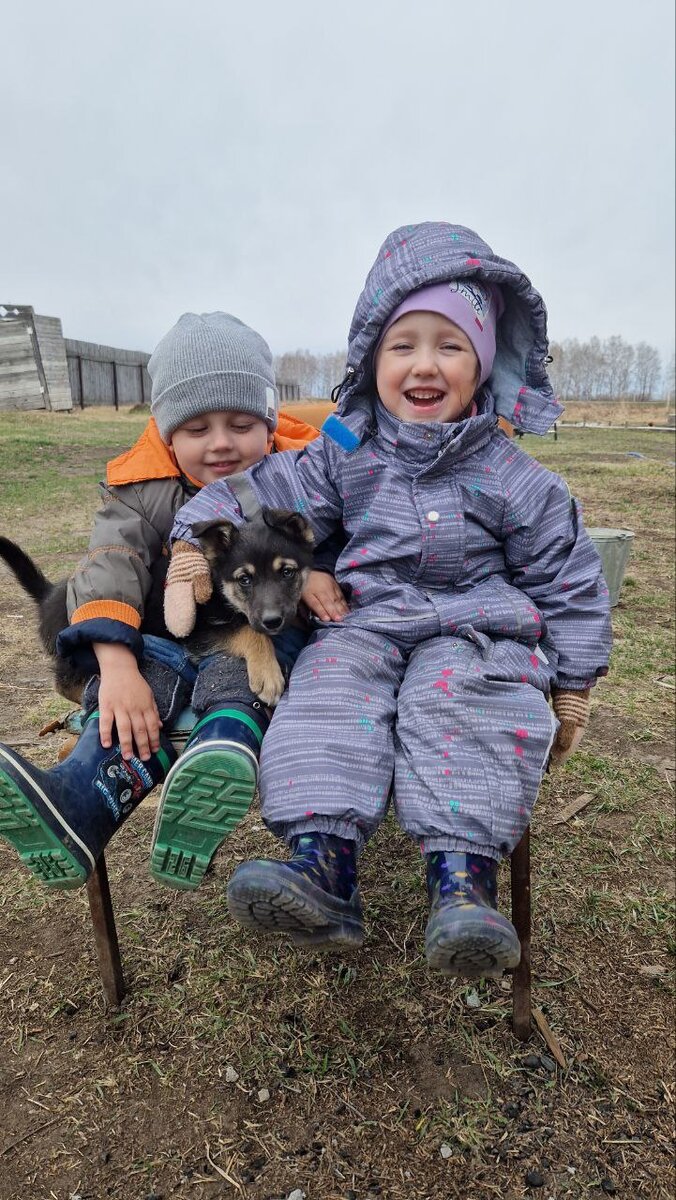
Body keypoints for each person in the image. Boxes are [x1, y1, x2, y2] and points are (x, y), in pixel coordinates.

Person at [164, 224, 612, 978]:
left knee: (466, 700)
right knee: (327, 695)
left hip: (474, 632)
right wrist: (187, 538)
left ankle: (464, 885)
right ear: (374, 358)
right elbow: (268, 489)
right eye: (404, 345)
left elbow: (567, 576)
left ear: (483, 363)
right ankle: (322, 865)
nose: (425, 364)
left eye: (450, 345)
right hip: (365, 624)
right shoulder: (348, 446)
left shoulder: (515, 476)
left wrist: (571, 683)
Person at [0, 312, 346, 892]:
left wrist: (315, 571)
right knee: (137, 695)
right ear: (165, 432)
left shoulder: (303, 476)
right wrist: (113, 664)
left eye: (241, 423)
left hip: (249, 643)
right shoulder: (142, 491)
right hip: (160, 639)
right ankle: (76, 804)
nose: (221, 443)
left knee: (239, 678)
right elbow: (111, 565)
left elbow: (347, 530)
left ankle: (217, 761)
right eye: (196, 427)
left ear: (267, 424)